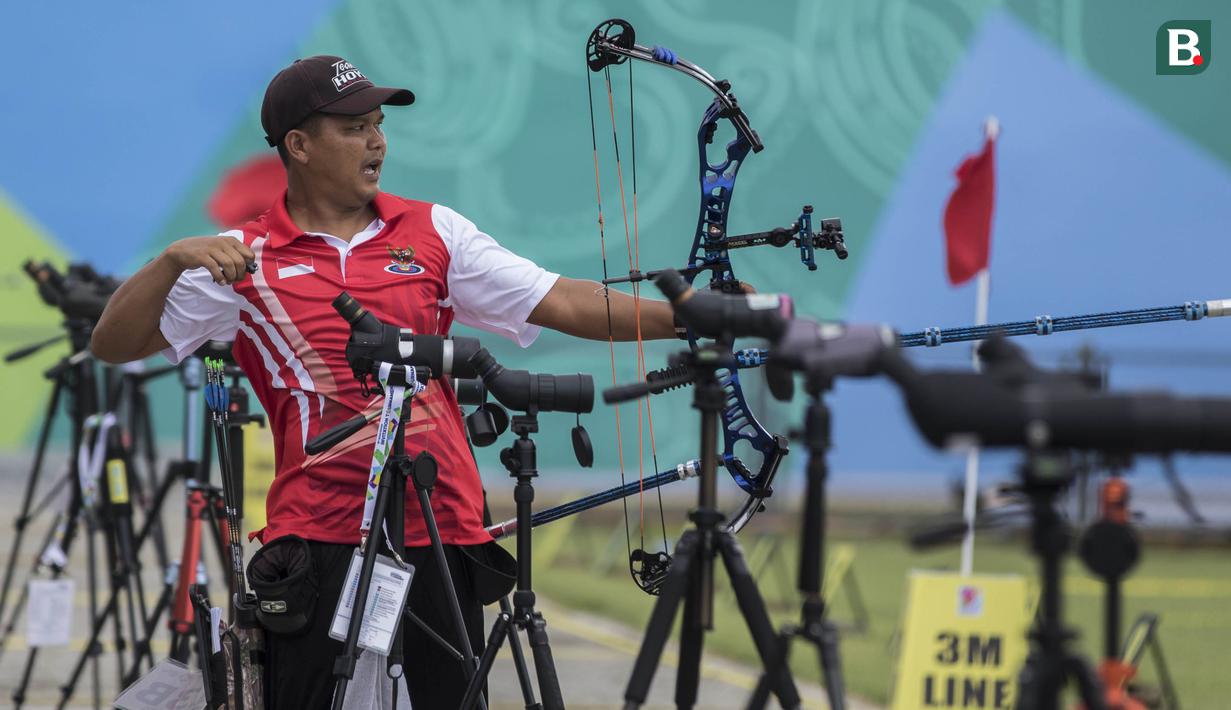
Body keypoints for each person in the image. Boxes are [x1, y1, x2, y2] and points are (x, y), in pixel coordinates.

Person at [92, 55, 678, 709]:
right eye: (355, 128)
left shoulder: (434, 231)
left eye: (377, 125)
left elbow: (562, 299)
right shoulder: (244, 257)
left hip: (439, 525)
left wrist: (692, 318)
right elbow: (113, 344)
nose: (377, 142)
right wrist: (171, 261)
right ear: (299, 145)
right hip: (317, 536)